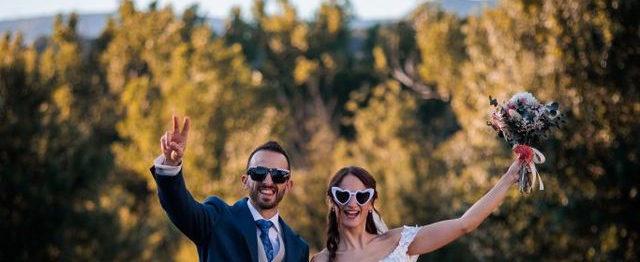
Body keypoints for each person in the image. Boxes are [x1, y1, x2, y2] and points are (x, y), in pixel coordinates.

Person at [151, 114, 309, 262]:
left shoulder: (299, 248)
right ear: (245, 180)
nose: (268, 181)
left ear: (288, 185)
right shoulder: (217, 219)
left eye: (278, 175)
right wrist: (171, 165)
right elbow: (179, 207)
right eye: (259, 172)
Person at [311, 160, 521, 262]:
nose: (352, 203)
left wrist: (509, 177)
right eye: (343, 195)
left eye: (362, 196)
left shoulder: (399, 241)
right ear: (332, 200)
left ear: (371, 202)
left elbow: (465, 224)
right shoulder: (320, 261)